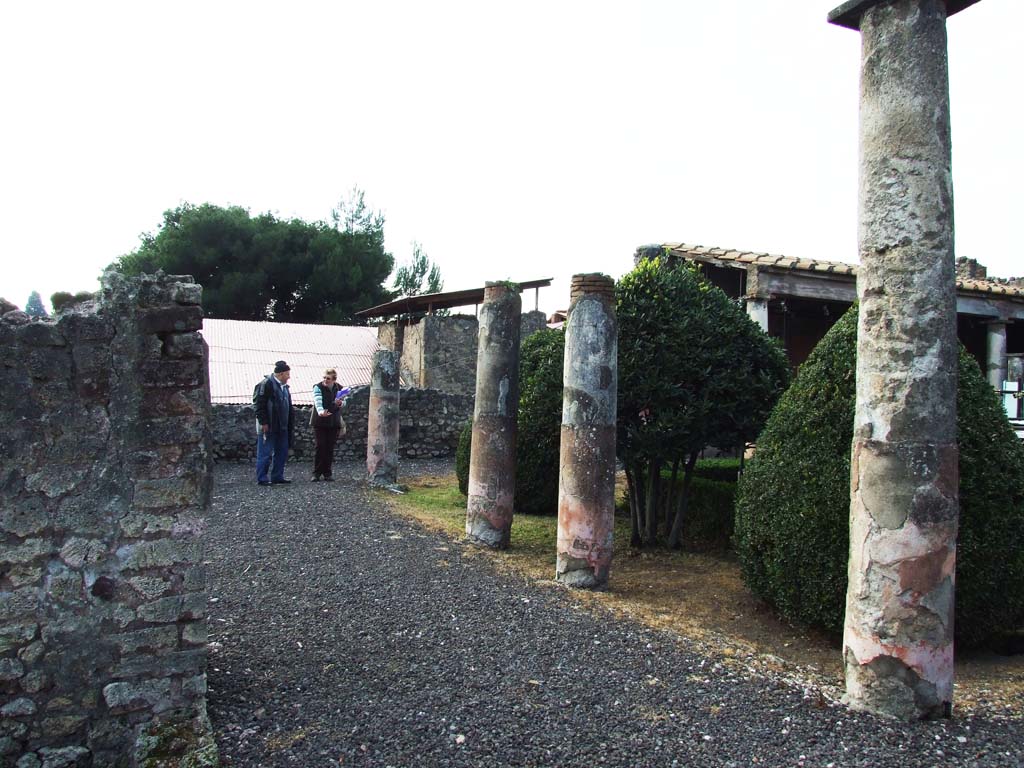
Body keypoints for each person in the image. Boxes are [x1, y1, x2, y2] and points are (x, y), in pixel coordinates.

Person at [254, 360, 295, 486]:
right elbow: (259, 405)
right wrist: (264, 422)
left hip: (282, 426)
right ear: (281, 374)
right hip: (269, 425)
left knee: (281, 452)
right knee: (265, 453)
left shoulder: (285, 388)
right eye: (287, 374)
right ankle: (262, 478)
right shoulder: (265, 384)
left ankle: (277, 476)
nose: (289, 377)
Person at [311, 368, 347, 481]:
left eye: (328, 378)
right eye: (324, 378)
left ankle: (327, 473)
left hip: (333, 422)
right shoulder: (318, 387)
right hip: (320, 422)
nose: (325, 380)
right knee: (320, 446)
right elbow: (318, 401)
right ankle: (316, 473)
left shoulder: (340, 389)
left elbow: (345, 401)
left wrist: (341, 403)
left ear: (334, 380)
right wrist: (321, 411)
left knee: (330, 448)